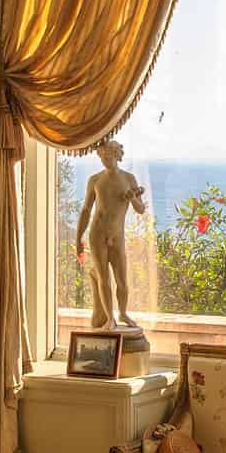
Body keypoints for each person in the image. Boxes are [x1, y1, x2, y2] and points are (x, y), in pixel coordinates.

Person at [74, 139, 146, 332]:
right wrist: (78, 238)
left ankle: (122, 313)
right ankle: (109, 318)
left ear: (116, 155)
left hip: (117, 235)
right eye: (102, 157)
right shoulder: (95, 180)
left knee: (122, 279)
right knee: (103, 278)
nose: (105, 160)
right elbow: (86, 210)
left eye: (108, 156)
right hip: (97, 234)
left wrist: (132, 198)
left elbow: (140, 209)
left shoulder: (129, 179)